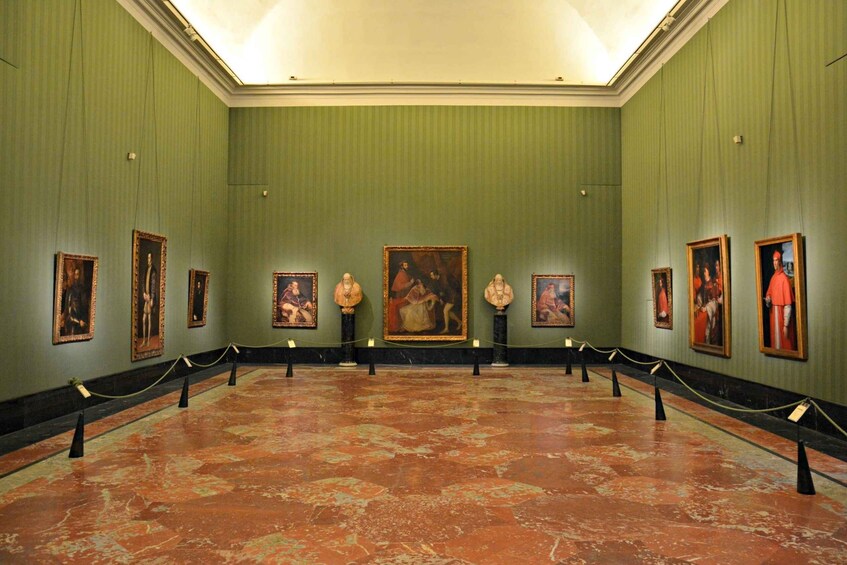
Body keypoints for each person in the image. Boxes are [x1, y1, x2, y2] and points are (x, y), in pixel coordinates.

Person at [764, 250, 796, 350]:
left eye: (776, 260)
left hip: (782, 316)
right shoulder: (773, 278)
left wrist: (786, 325)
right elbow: (769, 295)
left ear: (780, 262)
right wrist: (768, 300)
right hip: (773, 315)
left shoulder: (784, 279)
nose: (774, 263)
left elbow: (788, 305)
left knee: (785, 343)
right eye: (773, 261)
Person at [387, 260, 415, 332]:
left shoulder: (405, 273)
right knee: (402, 310)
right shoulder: (400, 274)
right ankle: (402, 326)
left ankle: (405, 326)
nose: (407, 266)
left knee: (406, 310)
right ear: (402, 266)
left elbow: (408, 280)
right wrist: (410, 283)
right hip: (401, 295)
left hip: (406, 294)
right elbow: (400, 286)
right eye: (405, 265)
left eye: (407, 265)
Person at [61, 264, 88, 336]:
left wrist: (82, 319)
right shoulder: (69, 290)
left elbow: (84, 306)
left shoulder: (82, 290)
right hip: (70, 321)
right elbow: (67, 307)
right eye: (75, 274)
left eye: (77, 274)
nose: (76, 277)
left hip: (79, 321)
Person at [141, 252, 157, 347]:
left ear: (152, 259)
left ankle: (148, 340)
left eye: (150, 258)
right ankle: (143, 340)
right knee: (144, 320)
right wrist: (143, 292)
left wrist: (152, 298)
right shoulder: (146, 269)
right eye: (148, 258)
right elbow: (143, 282)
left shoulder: (153, 270)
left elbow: (153, 285)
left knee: (149, 319)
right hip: (146, 297)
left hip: (150, 298)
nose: (148, 260)